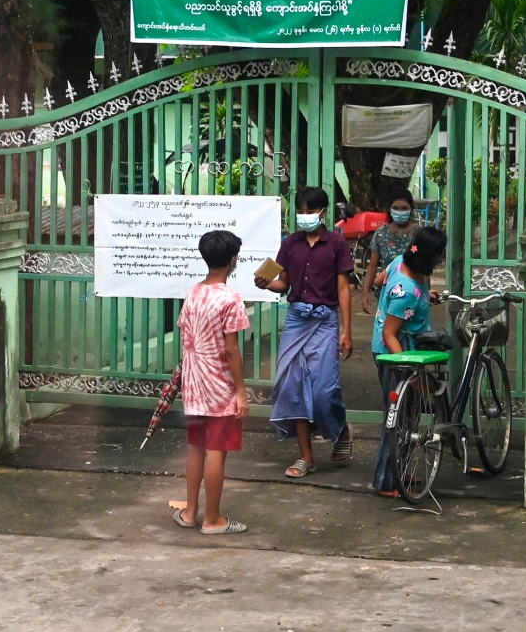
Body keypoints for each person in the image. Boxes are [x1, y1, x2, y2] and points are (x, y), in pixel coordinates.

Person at [255, 185, 354, 477]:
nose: (304, 216)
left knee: (324, 390)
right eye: (300, 211)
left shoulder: (337, 244)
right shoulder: (290, 243)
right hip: (297, 319)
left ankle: (341, 430)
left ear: (322, 213)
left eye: (310, 212)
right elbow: (280, 282)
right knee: (292, 388)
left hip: (325, 321)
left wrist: (346, 332)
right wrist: (264, 283)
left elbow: (343, 288)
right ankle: (306, 457)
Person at [176, 229, 251, 535]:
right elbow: (231, 349)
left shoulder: (194, 292)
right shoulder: (230, 299)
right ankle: (213, 518)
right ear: (233, 261)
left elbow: (187, 335)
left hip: (194, 384)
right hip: (219, 385)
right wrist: (242, 391)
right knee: (216, 450)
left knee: (196, 446)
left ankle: (190, 512)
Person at [370, 226, 449, 497]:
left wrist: (427, 296)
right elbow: (390, 334)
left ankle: (398, 472)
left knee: (408, 415)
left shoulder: (399, 264)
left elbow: (380, 281)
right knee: (396, 420)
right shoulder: (407, 293)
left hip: (402, 350)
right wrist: (410, 372)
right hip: (394, 354)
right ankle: (385, 481)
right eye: (440, 255)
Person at [359, 188, 418, 315]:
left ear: (411, 208)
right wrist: (366, 292)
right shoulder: (381, 233)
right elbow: (372, 266)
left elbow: (424, 266)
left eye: (404, 208)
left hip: (412, 292)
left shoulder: (419, 234)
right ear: (389, 209)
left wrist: (426, 293)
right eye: (396, 208)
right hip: (386, 292)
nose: (400, 211)